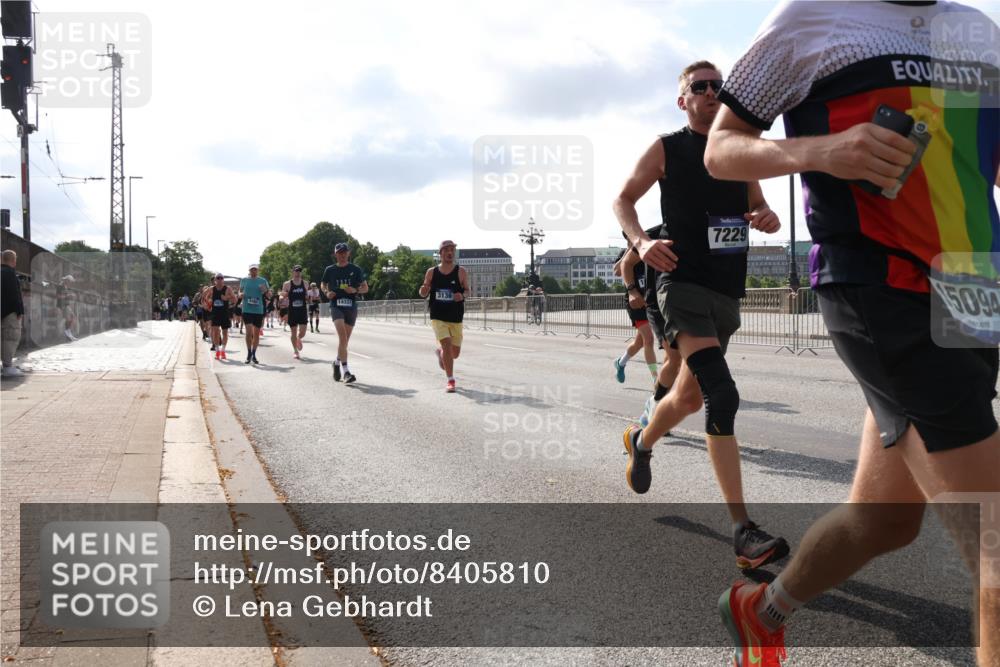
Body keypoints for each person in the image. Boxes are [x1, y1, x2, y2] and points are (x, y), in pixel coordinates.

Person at [703, 3, 1000, 665]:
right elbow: (721, 149)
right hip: (882, 287)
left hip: (976, 294)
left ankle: (762, 607)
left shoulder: (980, 31)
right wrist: (821, 152)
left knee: (885, 519)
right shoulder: (815, 17)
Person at [613, 60, 788, 572]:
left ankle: (640, 441)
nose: (712, 93)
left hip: (725, 292)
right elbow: (623, 199)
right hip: (680, 282)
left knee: (688, 397)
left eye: (719, 87)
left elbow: (759, 208)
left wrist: (767, 217)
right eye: (701, 87)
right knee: (721, 393)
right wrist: (642, 242)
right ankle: (743, 531)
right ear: (683, 100)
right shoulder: (667, 147)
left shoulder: (739, 154)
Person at [620, 226, 683, 428]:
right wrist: (631, 291)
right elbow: (626, 264)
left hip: (687, 304)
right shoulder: (655, 233)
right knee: (674, 359)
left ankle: (654, 406)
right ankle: (655, 413)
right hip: (657, 305)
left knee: (674, 363)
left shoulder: (703, 227)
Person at [419, 240, 469, 392]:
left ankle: (441, 353)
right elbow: (423, 293)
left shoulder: (461, 271)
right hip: (438, 316)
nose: (450, 252)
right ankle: (450, 380)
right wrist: (424, 289)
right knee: (446, 344)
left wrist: (462, 295)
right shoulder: (431, 272)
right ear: (440, 253)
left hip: (455, 316)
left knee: (455, 353)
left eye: (452, 250)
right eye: (446, 250)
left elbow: (467, 290)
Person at [321, 243, 368, 383]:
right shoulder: (330, 270)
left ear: (349, 253)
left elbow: (365, 288)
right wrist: (326, 292)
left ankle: (336, 362)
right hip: (336, 305)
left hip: (351, 306)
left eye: (344, 252)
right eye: (339, 253)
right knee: (342, 338)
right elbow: (323, 284)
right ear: (335, 254)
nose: (342, 255)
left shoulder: (356, 269)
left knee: (345, 341)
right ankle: (346, 372)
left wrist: (355, 290)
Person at [612, 247, 658, 384]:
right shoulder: (624, 252)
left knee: (639, 343)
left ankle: (620, 363)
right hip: (635, 302)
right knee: (649, 340)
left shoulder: (646, 248)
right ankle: (656, 378)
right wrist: (628, 250)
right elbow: (617, 271)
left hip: (649, 300)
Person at [238, 264, 270, 364]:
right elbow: (240, 292)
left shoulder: (262, 281)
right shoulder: (244, 280)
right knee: (248, 332)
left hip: (258, 310)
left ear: (258, 270)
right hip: (247, 309)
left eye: (255, 269)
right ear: (249, 270)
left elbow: (268, 294)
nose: (253, 271)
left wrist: (265, 291)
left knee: (256, 334)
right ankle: (248, 354)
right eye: (252, 269)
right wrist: (240, 294)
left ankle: (254, 354)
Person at [1, 250, 24, 378]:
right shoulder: (10, 274)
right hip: (10, 312)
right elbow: (15, 295)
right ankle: (7, 366)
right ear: (13, 261)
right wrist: (19, 311)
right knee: (10, 337)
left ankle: (5, 365)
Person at [203, 273, 237, 360]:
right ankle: (217, 350)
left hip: (225, 314)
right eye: (218, 278)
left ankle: (223, 350)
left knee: (225, 333)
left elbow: (235, 299)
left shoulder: (227, 289)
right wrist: (207, 305)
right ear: (215, 280)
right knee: (215, 332)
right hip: (215, 314)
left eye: (221, 278)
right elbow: (204, 297)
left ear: (223, 279)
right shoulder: (211, 289)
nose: (219, 279)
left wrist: (227, 298)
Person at [283, 266, 309, 360]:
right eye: (296, 271)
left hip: (302, 310)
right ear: (293, 272)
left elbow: (307, 295)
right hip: (292, 310)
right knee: (293, 331)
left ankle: (298, 338)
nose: (298, 273)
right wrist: (283, 297)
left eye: (299, 271)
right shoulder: (287, 284)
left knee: (303, 332)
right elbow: (283, 294)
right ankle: (295, 351)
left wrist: (307, 297)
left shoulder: (305, 283)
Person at [56, 275, 77, 340]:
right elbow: (58, 296)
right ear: (67, 280)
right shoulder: (60, 286)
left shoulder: (65, 286)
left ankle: (68, 333)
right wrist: (69, 295)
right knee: (70, 318)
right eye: (70, 281)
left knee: (72, 317)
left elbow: (65, 295)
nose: (70, 283)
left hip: (66, 305)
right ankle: (67, 333)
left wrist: (70, 296)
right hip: (62, 305)